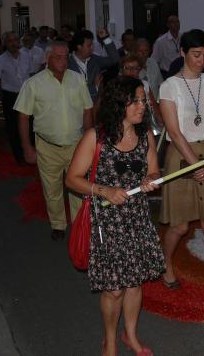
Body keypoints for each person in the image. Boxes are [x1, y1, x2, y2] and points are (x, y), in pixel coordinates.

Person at [66, 76, 164, 356]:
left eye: (143, 100)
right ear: (118, 103)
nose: (142, 106)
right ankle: (109, 339)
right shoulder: (95, 138)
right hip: (107, 223)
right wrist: (104, 190)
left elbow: (153, 169)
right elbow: (72, 179)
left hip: (136, 219)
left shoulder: (145, 135)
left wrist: (151, 180)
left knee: (134, 283)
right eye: (135, 100)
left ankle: (130, 335)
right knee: (114, 290)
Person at [158, 29, 204, 306]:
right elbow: (174, 132)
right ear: (183, 53)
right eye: (196, 55)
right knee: (179, 225)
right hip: (181, 155)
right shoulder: (169, 86)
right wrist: (196, 163)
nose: (202, 60)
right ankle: (166, 262)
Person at [14, 41, 93, 241]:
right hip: (47, 146)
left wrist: (89, 139)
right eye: (57, 57)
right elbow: (23, 116)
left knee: (78, 187)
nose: (62, 61)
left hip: (76, 145)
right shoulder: (33, 84)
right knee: (52, 188)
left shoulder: (77, 79)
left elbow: (87, 109)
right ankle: (58, 224)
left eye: (65, 56)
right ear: (47, 59)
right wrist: (27, 147)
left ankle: (78, 225)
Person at [0, 33, 34, 162]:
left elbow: (31, 74)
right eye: (10, 41)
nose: (13, 43)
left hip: (27, 95)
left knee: (31, 124)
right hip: (10, 96)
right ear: (5, 43)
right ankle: (19, 156)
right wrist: (6, 91)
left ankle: (32, 153)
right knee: (13, 126)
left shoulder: (27, 55)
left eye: (15, 40)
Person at [67, 29, 119, 102]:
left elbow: (114, 59)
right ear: (79, 47)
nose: (92, 48)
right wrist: (95, 87)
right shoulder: (67, 64)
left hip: (95, 108)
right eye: (89, 46)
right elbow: (73, 92)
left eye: (92, 45)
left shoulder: (94, 60)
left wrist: (105, 38)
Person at [120, 54, 163, 127]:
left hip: (145, 122)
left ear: (139, 70)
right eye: (127, 68)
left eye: (135, 68)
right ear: (122, 70)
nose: (131, 71)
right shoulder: (117, 87)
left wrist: (160, 121)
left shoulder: (144, 84)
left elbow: (154, 106)